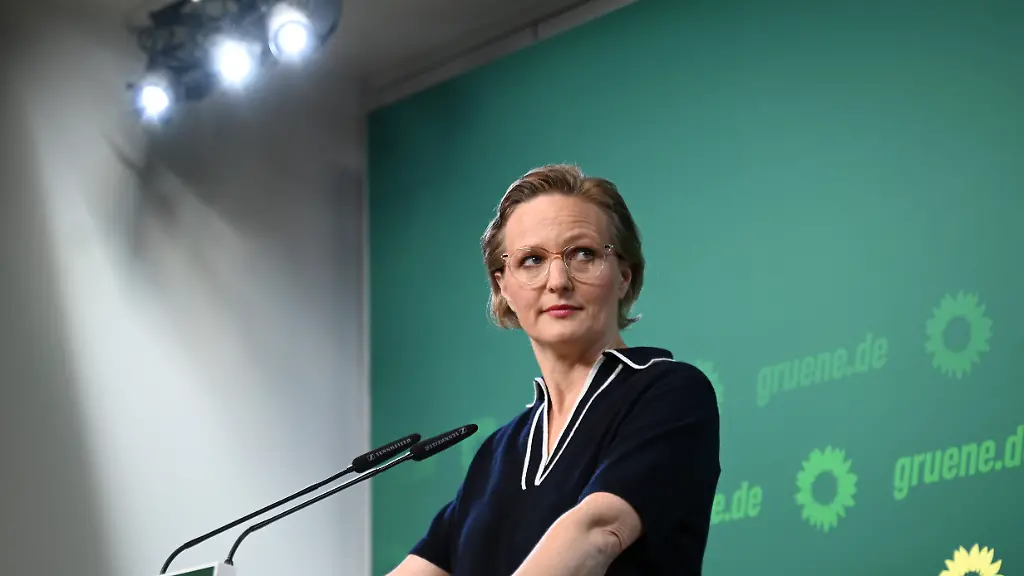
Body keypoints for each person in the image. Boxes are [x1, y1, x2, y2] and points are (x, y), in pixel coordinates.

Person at [388, 164, 720, 575]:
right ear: (503, 287)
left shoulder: (668, 392)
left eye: (584, 254)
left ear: (624, 276)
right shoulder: (497, 453)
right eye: (532, 260)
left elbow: (597, 532)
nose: (558, 281)